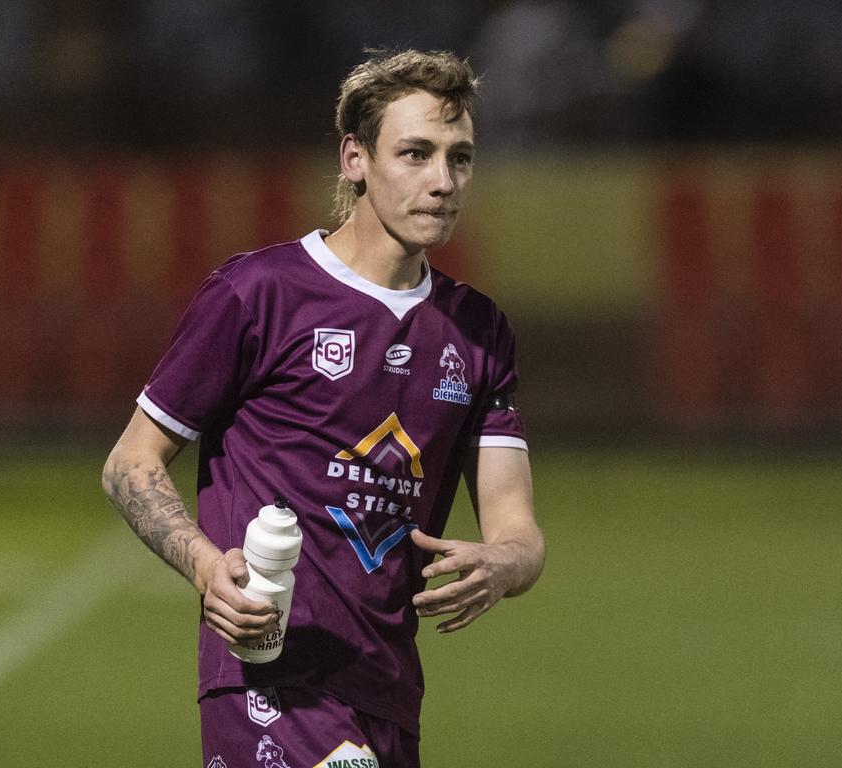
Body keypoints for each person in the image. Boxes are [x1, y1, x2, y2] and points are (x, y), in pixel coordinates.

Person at [102, 48, 545, 768]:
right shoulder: (258, 294)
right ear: (355, 159)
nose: (443, 181)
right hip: (267, 677)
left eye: (459, 158)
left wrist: (501, 563)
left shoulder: (478, 331)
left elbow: (520, 532)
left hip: (388, 691)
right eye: (416, 153)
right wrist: (205, 566)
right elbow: (130, 462)